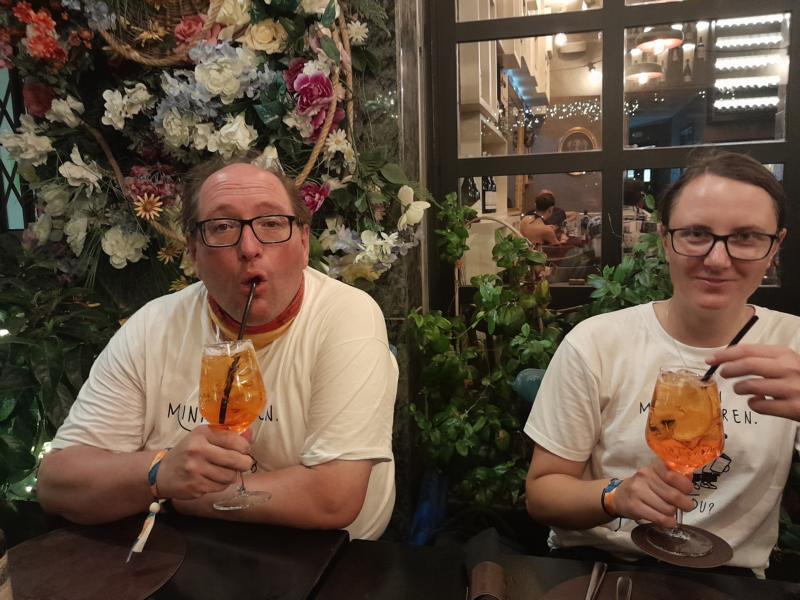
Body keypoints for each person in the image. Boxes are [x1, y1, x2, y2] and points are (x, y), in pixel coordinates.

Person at [37, 156, 399, 540]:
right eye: (223, 227)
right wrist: (160, 470)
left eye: (271, 223)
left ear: (304, 243)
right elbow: (57, 484)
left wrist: (180, 495)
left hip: (327, 556)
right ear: (193, 252)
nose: (249, 247)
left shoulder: (347, 316)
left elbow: (333, 499)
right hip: (185, 548)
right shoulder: (154, 325)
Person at [524, 151, 800, 575]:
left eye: (746, 237)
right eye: (696, 234)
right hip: (599, 568)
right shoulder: (597, 342)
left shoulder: (793, 346)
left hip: (729, 579)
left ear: (774, 247)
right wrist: (615, 496)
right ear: (665, 239)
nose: (718, 259)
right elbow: (542, 494)